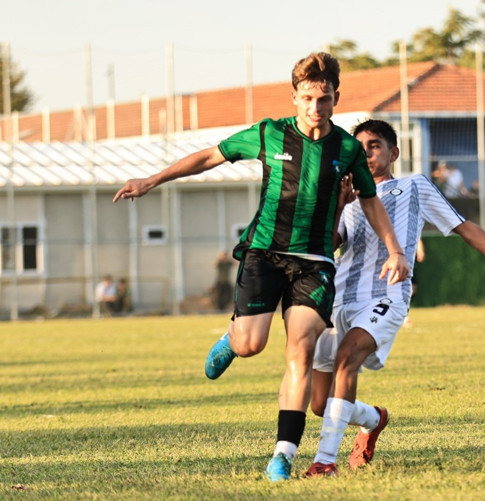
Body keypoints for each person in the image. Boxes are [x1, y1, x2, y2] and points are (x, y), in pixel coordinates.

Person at [112, 53, 409, 483]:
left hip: (315, 263)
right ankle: (233, 339)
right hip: (264, 254)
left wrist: (395, 249)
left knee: (301, 349)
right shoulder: (269, 134)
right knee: (252, 343)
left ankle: (282, 455)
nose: (315, 107)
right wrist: (151, 180)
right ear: (294, 98)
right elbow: (209, 157)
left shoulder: (346, 148)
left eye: (324, 99)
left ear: (335, 99)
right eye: (307, 98)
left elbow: (370, 201)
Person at [304, 119, 485, 477]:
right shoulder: (345, 195)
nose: (366, 153)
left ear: (393, 153)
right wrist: (338, 203)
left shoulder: (413, 186)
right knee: (321, 404)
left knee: (347, 357)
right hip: (339, 299)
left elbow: (463, 226)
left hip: (386, 295)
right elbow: (329, 244)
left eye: (374, 146)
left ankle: (324, 462)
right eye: (359, 147)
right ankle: (373, 419)